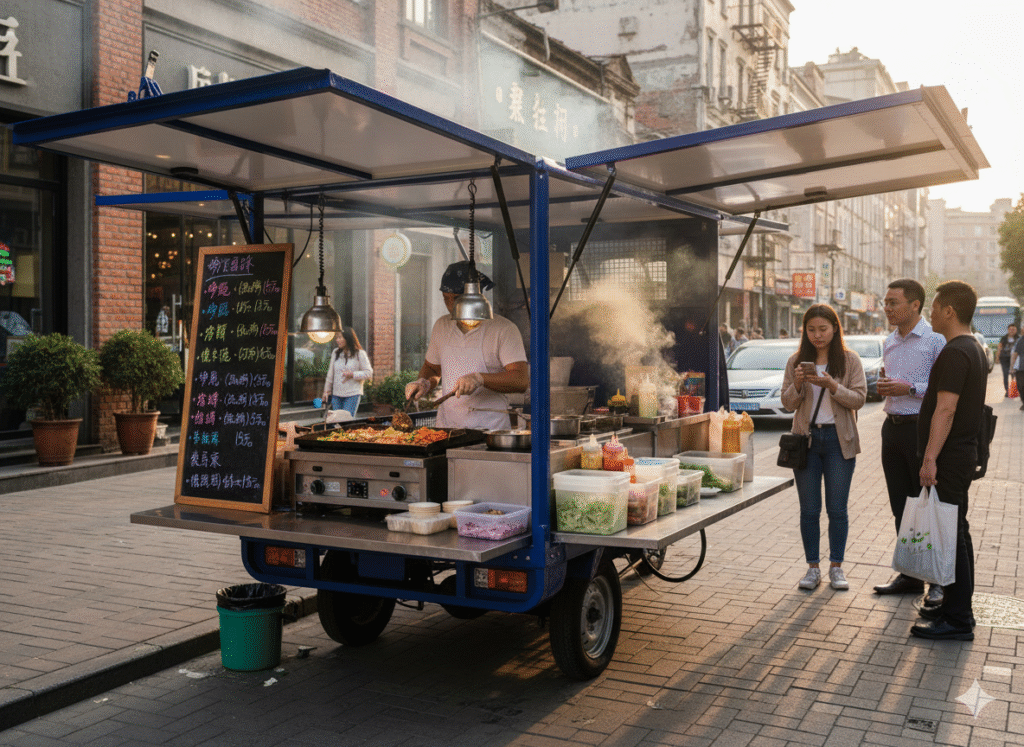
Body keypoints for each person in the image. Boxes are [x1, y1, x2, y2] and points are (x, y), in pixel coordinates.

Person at [910, 280, 987, 641]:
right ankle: (956, 608)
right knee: (956, 533)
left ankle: (958, 619)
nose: (931, 313)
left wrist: (929, 459)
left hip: (951, 458)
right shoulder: (971, 347)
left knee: (952, 535)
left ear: (950, 312)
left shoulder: (957, 352)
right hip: (960, 455)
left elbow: (946, 408)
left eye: (934, 307)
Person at [781, 304, 867, 591]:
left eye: (823, 329)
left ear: (835, 328)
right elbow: (788, 404)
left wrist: (832, 385)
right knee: (809, 509)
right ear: (804, 331)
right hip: (806, 442)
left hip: (838, 443)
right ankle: (812, 568)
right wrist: (796, 384)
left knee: (837, 509)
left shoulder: (849, 360)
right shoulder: (796, 360)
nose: (817, 335)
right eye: (811, 329)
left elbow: (858, 399)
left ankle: (837, 568)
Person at [872, 279, 947, 607]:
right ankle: (911, 575)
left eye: (893, 302)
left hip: (922, 430)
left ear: (915, 305)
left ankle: (938, 582)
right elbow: (893, 381)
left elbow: (945, 390)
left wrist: (910, 389)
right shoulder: (889, 340)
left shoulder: (935, 341)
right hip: (893, 428)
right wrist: (886, 387)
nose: (887, 308)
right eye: (885, 303)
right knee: (901, 505)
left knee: (929, 505)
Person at [404, 261, 528, 430]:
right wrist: (423, 383)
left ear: (474, 298)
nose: (450, 306)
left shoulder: (504, 329)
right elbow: (432, 369)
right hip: (447, 429)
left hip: (490, 430)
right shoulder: (442, 326)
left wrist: (480, 378)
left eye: (455, 299)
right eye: (445, 299)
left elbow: (520, 380)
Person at [322, 326, 373, 415]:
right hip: (336, 395)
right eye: (336, 338)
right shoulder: (335, 352)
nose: (337, 340)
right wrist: (326, 391)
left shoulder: (360, 354)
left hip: (352, 395)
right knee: (336, 422)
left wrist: (352, 374)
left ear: (348, 338)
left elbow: (369, 373)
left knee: (346, 421)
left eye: (340, 337)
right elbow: (330, 374)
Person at [997, 323, 1018, 396]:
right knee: (1005, 374)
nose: (1012, 331)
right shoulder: (1004, 338)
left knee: (1014, 375)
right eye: (1010, 329)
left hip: (1015, 360)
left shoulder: (1018, 338)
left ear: (1016, 330)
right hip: (1004, 358)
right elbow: (999, 347)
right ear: (1008, 330)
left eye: (1013, 329)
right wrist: (997, 357)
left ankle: (1014, 391)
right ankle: (1007, 391)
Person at [1011, 334, 1024, 411]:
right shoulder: (1021, 340)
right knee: (1020, 386)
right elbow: (1015, 354)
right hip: (1021, 368)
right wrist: (1012, 367)